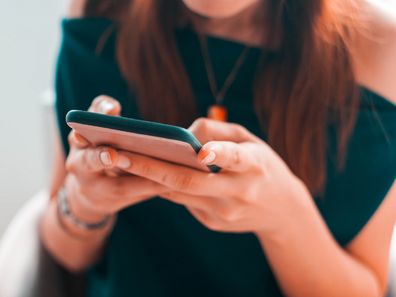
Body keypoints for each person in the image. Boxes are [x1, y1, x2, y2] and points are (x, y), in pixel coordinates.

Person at [40, 0, 396, 296]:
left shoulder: (380, 52)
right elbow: (65, 253)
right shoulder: (101, 11)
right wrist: (85, 206)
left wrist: (286, 217)